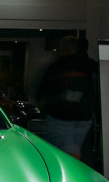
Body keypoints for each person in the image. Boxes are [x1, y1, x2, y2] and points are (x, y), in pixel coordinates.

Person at [36, 34, 99, 164]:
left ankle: (69, 175)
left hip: (60, 116)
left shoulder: (56, 67)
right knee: (78, 149)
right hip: (84, 117)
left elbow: (44, 90)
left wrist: (44, 108)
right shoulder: (91, 65)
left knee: (63, 151)